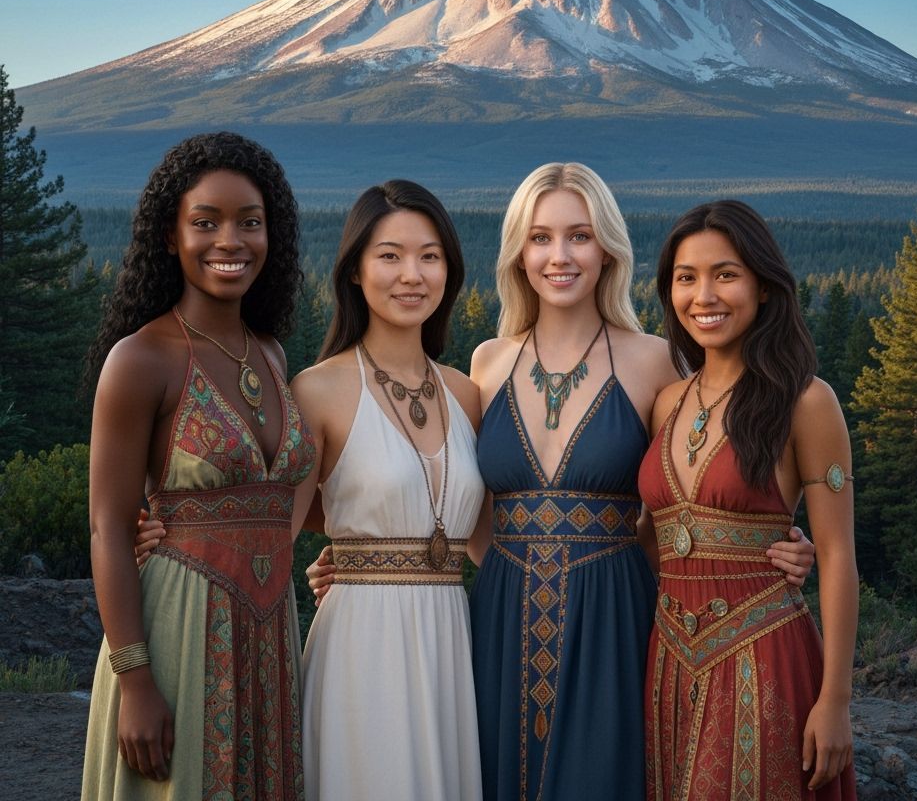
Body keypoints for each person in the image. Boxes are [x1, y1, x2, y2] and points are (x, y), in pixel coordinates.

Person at [304, 165, 815, 801]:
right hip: (497, 611)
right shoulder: (488, 363)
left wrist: (772, 542)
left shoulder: (654, 360)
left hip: (614, 611)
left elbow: (695, 480)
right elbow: (445, 492)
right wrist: (363, 559)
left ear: (608, 249)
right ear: (519, 252)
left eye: (579, 235)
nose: (560, 255)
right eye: (541, 237)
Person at [81, 132, 319, 800]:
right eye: (205, 222)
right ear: (168, 236)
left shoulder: (271, 352)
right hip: (179, 631)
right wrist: (134, 680)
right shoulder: (141, 358)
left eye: (250, 222)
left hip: (274, 630)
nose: (230, 241)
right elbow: (106, 525)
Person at [641, 200, 858, 800]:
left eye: (725, 274)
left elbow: (838, 554)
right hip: (668, 661)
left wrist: (835, 700)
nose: (703, 296)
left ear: (763, 288)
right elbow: (653, 534)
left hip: (763, 659)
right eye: (686, 278)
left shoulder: (807, 402)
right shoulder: (668, 402)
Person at [293, 181, 486, 800]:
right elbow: (277, 525)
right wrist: (170, 539)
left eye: (430, 256)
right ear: (354, 270)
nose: (412, 274)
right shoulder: (317, 390)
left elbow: (493, 539)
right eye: (390, 255)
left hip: (449, 639)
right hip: (360, 643)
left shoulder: (467, 394)